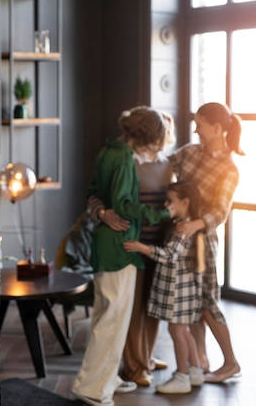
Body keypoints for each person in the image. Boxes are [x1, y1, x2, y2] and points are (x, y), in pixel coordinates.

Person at [71, 105, 175, 406]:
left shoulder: (107, 151)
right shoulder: (126, 158)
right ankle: (93, 389)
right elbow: (125, 205)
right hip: (121, 246)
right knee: (113, 321)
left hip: (105, 243)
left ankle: (106, 378)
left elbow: (96, 192)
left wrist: (102, 212)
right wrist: (163, 212)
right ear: (148, 137)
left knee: (105, 316)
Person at [98, 111, 175, 387]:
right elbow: (105, 197)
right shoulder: (125, 160)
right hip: (133, 243)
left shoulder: (167, 165)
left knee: (152, 307)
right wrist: (103, 212)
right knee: (133, 308)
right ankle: (134, 366)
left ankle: (147, 357)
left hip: (159, 245)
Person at [168, 102, 244, 383]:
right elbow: (164, 166)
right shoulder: (189, 152)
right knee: (193, 306)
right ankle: (200, 360)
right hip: (182, 240)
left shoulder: (228, 168)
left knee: (208, 304)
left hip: (203, 244)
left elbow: (220, 211)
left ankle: (231, 363)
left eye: (200, 125)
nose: (196, 129)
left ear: (217, 128)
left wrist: (194, 224)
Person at [123, 181, 205, 393]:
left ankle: (182, 376)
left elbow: (169, 255)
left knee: (176, 330)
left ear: (184, 202)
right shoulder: (183, 222)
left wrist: (142, 247)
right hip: (183, 290)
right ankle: (195, 370)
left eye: (170, 201)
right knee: (183, 330)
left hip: (179, 291)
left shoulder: (182, 227)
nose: (165, 204)